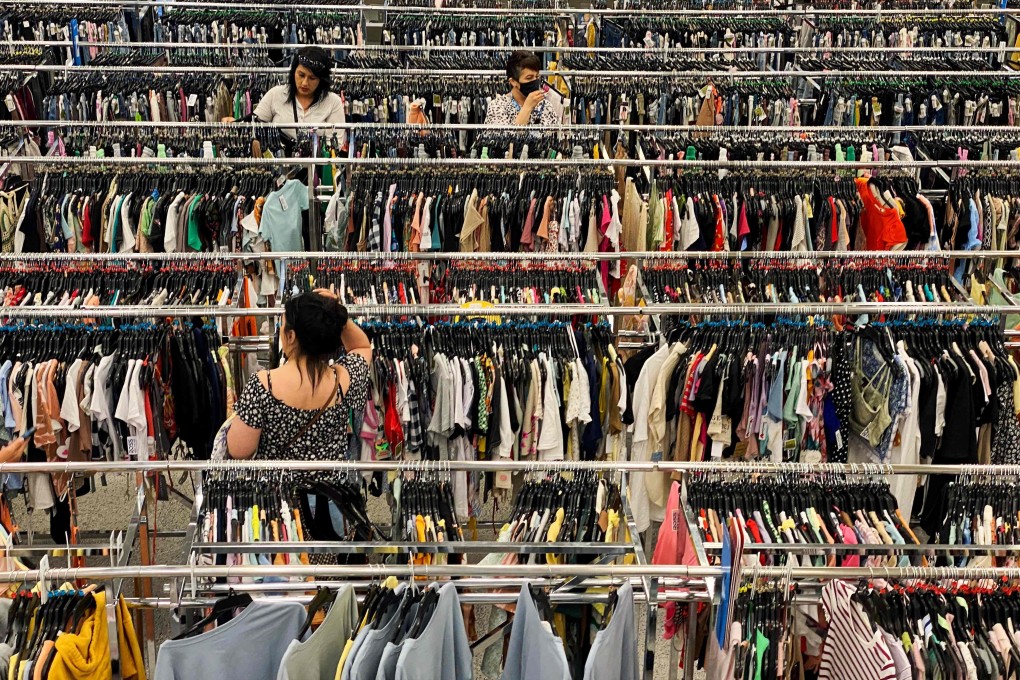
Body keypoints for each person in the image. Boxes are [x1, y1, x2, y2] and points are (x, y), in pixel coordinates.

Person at [226, 289, 372, 464]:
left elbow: (239, 450)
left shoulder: (262, 385)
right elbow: (361, 347)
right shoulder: (343, 381)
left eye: (282, 326)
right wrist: (336, 313)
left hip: (278, 482)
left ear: (291, 336)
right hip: (330, 481)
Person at [222, 46, 346, 142]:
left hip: (319, 167)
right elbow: (255, 123)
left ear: (321, 80)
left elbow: (335, 145)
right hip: (278, 165)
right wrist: (236, 124)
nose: (304, 83)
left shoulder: (333, 102)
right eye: (301, 75)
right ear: (293, 72)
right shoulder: (276, 94)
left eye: (312, 78)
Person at [484, 50, 562, 128]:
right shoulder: (498, 107)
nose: (535, 81)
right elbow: (503, 135)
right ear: (513, 82)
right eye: (529, 78)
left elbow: (557, 134)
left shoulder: (546, 106)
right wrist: (527, 108)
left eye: (537, 76)